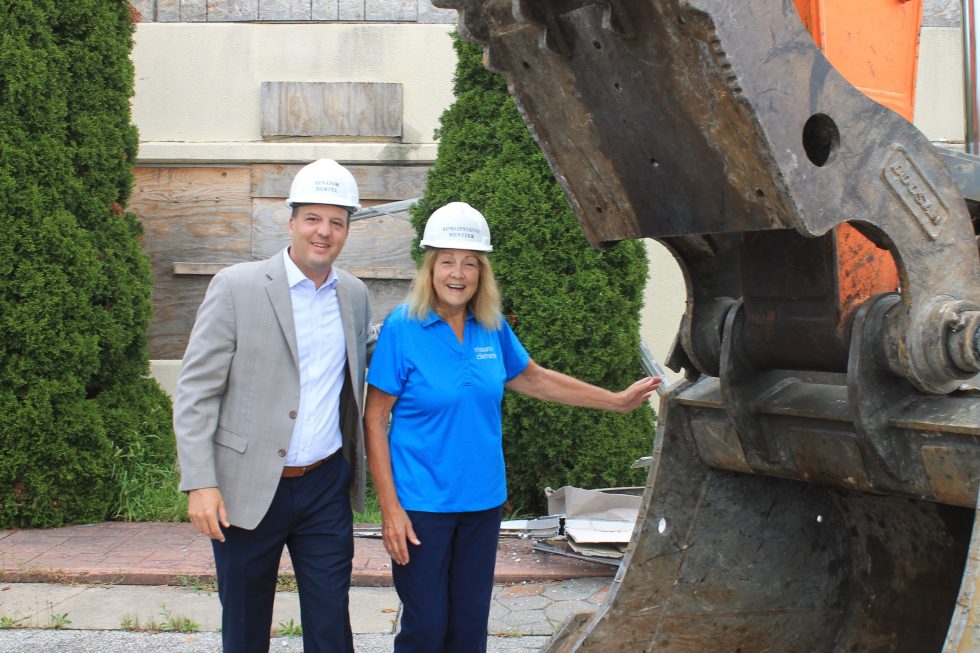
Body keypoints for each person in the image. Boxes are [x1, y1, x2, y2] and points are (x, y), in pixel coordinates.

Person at [363, 201, 660, 653]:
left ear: (481, 272)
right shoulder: (402, 329)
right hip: (422, 505)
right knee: (426, 627)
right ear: (430, 268)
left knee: (469, 628)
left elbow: (535, 378)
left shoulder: (490, 326)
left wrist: (616, 401)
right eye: (447, 261)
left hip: (482, 503)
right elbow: (374, 417)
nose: (457, 273)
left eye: (470, 263)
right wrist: (390, 509)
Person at [174, 159, 372, 653]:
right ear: (291, 222)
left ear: (347, 230)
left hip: (325, 485)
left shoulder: (354, 295)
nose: (323, 232)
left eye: (336, 222)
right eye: (313, 219)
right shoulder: (236, 286)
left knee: (331, 626)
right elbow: (196, 391)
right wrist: (200, 482)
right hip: (246, 487)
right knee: (245, 626)